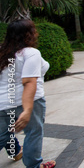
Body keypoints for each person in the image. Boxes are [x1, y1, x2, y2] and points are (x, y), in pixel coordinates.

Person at [0, 20, 56, 168]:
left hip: (3, 105)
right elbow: (29, 82)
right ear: (29, 34)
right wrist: (27, 110)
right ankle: (34, 166)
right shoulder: (30, 53)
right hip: (28, 102)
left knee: (2, 136)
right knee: (33, 133)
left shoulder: (2, 53)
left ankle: (16, 151)